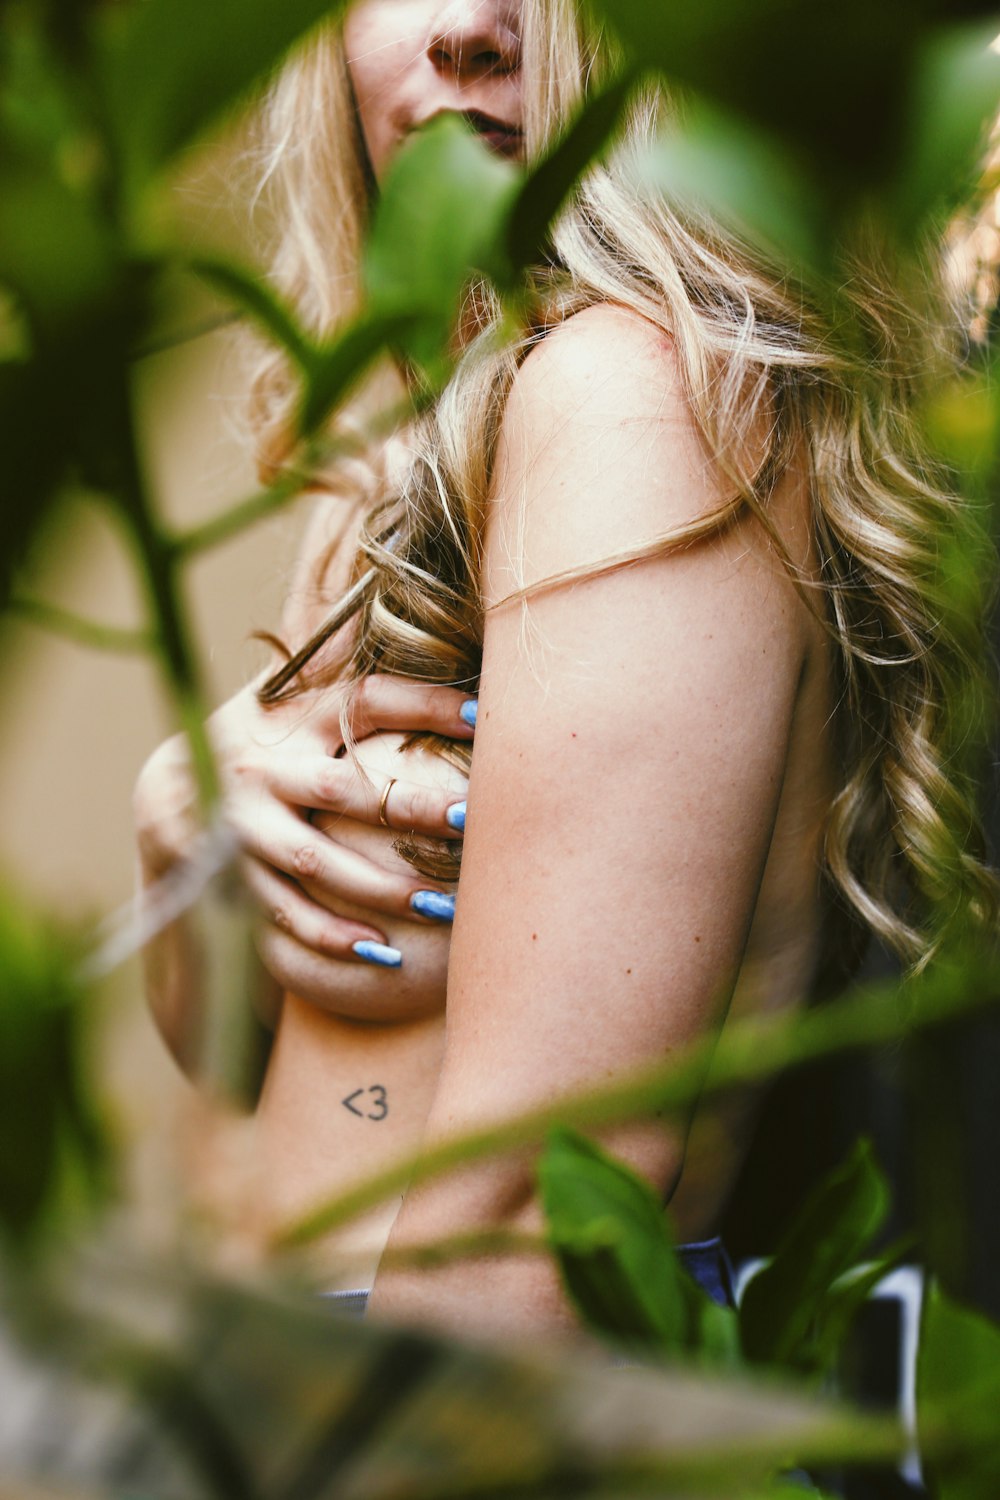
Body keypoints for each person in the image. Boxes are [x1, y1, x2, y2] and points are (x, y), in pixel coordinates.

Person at [134, 0, 999, 1340]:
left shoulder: (638, 397)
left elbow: (529, 1222)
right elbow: (251, 1069)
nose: (472, 28)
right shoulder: (402, 443)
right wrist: (180, 829)